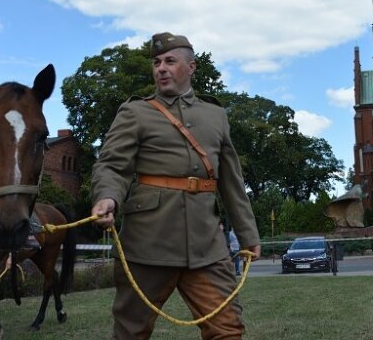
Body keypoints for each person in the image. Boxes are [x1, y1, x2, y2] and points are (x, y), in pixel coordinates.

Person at [91, 32, 261, 340]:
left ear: (191, 67)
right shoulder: (135, 112)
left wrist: (248, 234)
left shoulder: (216, 114)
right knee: (131, 332)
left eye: (170, 61)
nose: (161, 68)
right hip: (147, 244)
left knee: (227, 329)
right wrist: (107, 197)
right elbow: (112, 166)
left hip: (207, 247)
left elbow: (232, 182)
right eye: (157, 63)